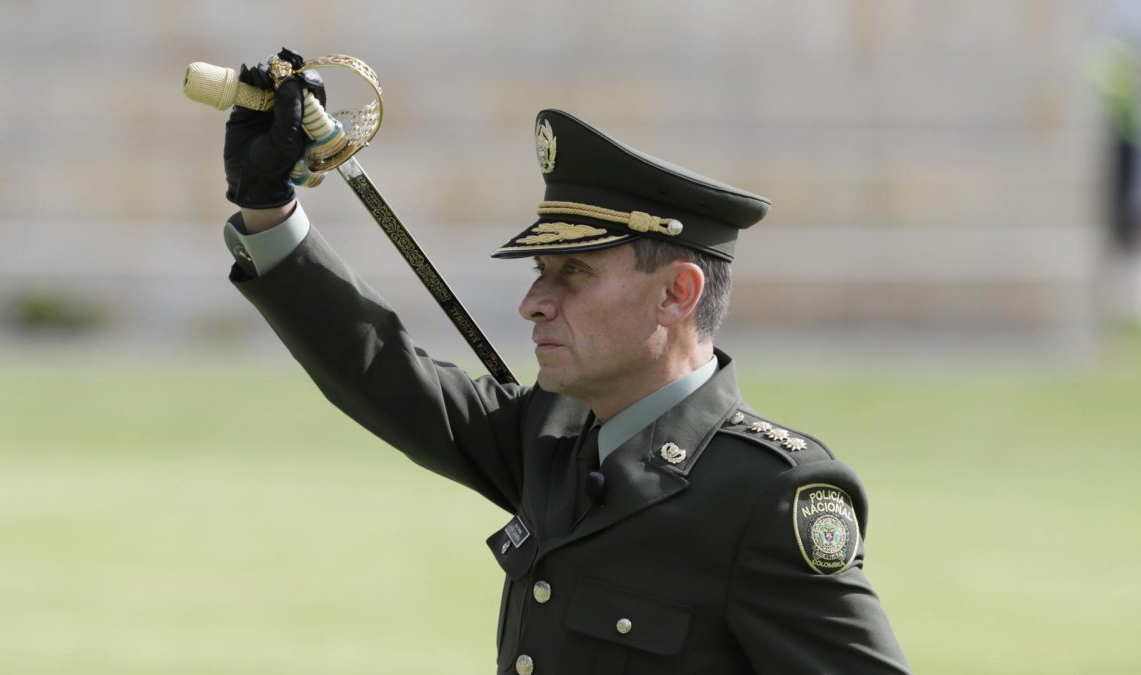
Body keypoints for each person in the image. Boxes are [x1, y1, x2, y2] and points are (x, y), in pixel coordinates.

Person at [218, 51, 910, 674]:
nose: (533, 302)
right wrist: (268, 208)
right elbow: (381, 370)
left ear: (676, 293)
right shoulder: (555, 434)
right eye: (540, 270)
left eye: (571, 273)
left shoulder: (768, 494)